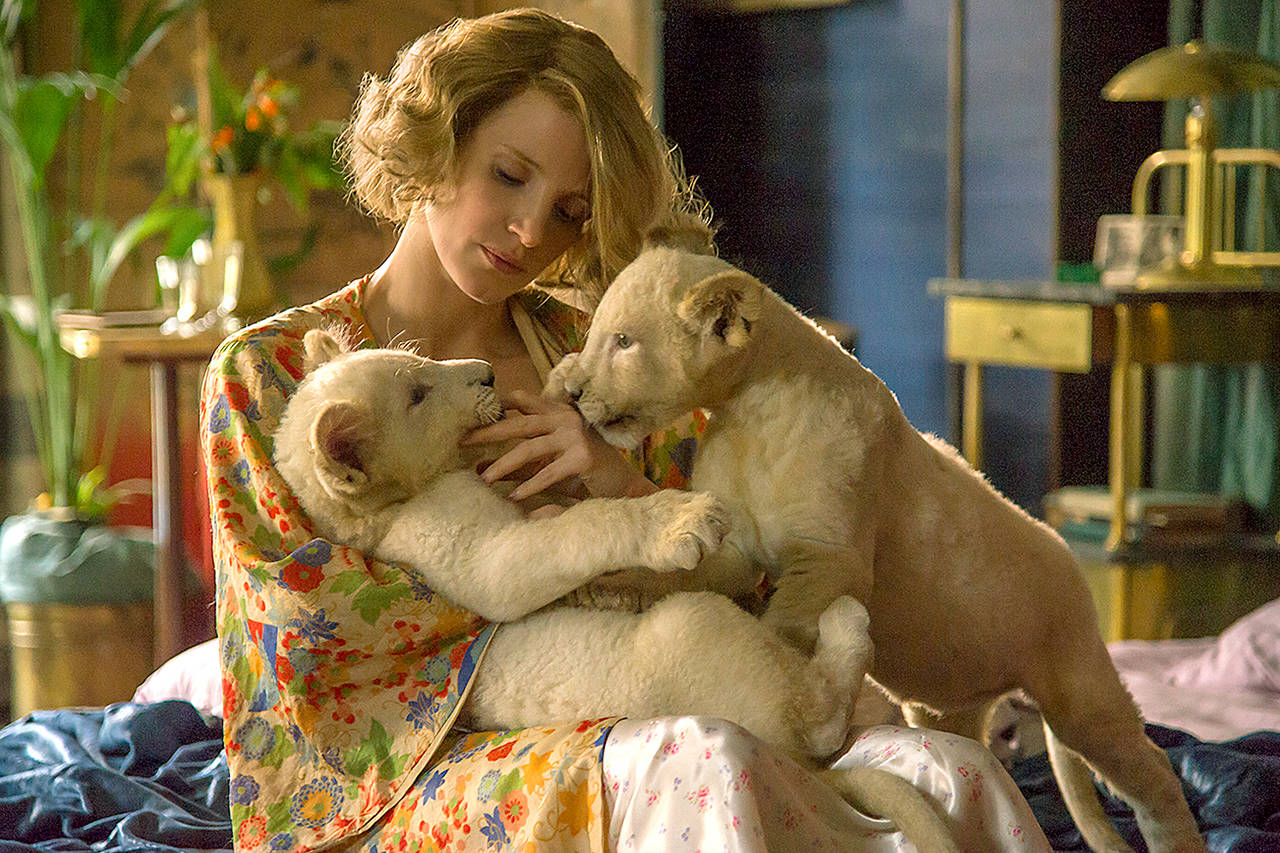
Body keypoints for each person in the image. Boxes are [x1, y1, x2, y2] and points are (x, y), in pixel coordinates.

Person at [200, 8, 1053, 852]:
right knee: (703, 762)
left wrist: (625, 492)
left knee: (953, 770)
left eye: (570, 211)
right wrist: (567, 569)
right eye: (508, 173)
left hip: (686, 696)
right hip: (406, 775)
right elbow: (312, 636)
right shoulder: (266, 376)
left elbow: (758, 588)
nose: (532, 231)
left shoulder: (602, 356)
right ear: (437, 140)